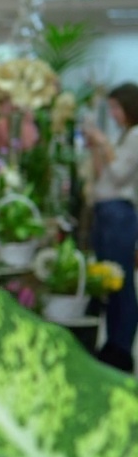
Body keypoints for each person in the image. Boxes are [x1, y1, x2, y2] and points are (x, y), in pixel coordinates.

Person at [83, 82, 138, 373]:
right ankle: (113, 344)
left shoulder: (135, 136)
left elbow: (117, 177)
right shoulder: (123, 137)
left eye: (117, 107)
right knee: (108, 281)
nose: (114, 114)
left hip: (119, 213)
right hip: (106, 210)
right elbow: (101, 173)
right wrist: (96, 147)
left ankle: (121, 349)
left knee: (121, 282)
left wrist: (103, 142)